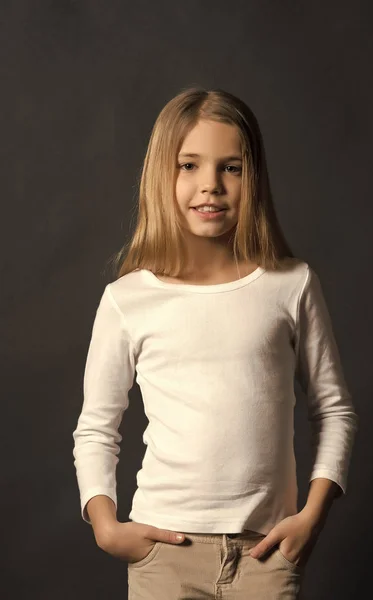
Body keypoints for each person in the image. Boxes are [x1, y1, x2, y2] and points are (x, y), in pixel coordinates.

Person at [72, 87, 358, 599]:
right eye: (189, 166)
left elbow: (334, 409)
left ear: (255, 177)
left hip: (266, 555)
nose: (210, 186)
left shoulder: (290, 285)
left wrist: (312, 516)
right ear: (164, 174)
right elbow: (96, 427)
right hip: (166, 556)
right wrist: (105, 525)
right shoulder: (128, 299)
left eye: (231, 167)